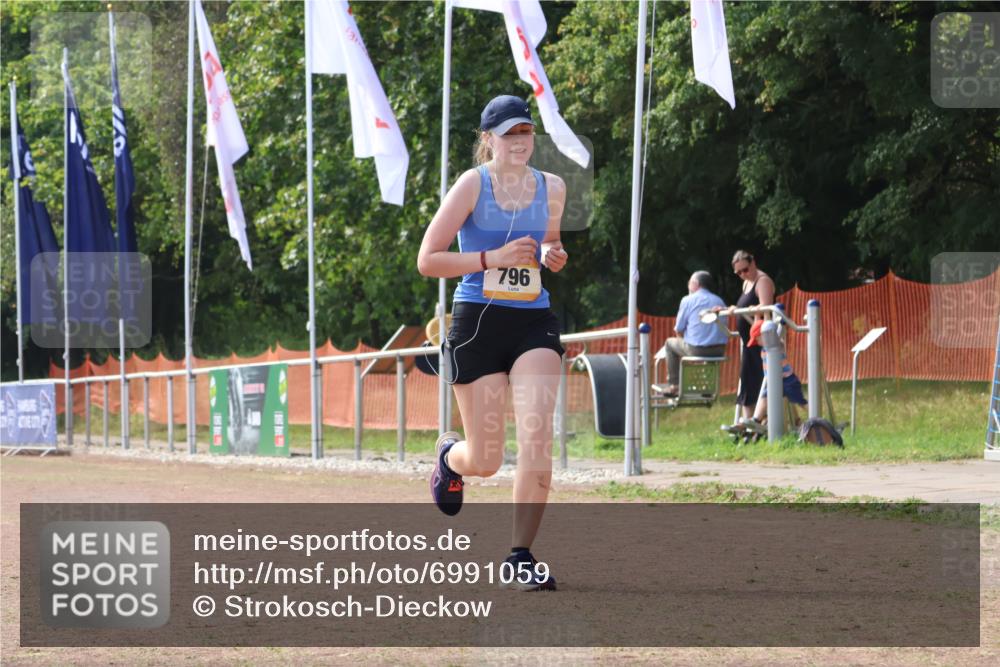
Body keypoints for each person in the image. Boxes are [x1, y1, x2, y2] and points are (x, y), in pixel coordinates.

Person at [416, 95, 567, 592]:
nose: (519, 141)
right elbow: (428, 259)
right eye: (508, 134)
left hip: (532, 323)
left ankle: (520, 555)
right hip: (477, 322)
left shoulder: (553, 187)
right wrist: (491, 258)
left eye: (525, 131)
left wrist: (552, 253)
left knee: (537, 435)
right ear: (489, 140)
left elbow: (548, 245)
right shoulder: (471, 185)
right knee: (486, 460)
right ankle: (449, 458)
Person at [719, 250, 775, 420]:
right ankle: (748, 423)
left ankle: (756, 422)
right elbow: (744, 307)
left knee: (759, 384)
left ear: (753, 263)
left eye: (745, 269)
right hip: (749, 343)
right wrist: (731, 310)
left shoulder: (762, 281)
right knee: (748, 384)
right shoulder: (747, 283)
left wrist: (752, 311)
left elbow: (767, 311)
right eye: (738, 272)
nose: (743, 274)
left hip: (761, 343)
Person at [661, 271, 728, 396]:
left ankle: (674, 385)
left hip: (697, 350)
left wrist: (685, 343)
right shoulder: (719, 300)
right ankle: (706, 386)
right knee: (706, 340)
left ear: (695, 284)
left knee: (669, 344)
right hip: (719, 350)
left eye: (689, 282)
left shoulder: (688, 300)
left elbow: (679, 329)